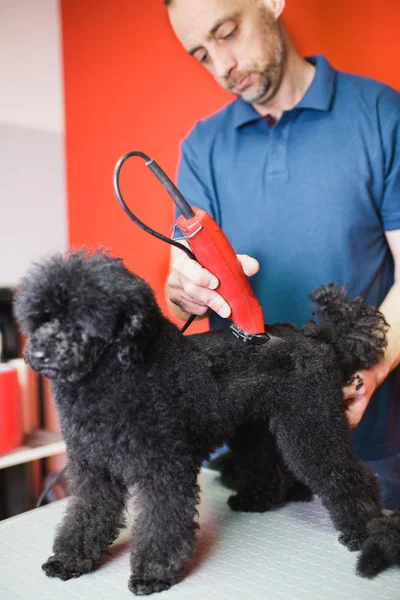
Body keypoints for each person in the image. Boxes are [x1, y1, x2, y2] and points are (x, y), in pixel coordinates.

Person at [163, 0, 400, 508]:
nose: (222, 66)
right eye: (201, 54)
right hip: (246, 455)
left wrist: (372, 370)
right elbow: (181, 297)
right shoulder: (202, 147)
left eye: (226, 33)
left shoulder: (383, 115)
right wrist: (183, 289)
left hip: (364, 447)